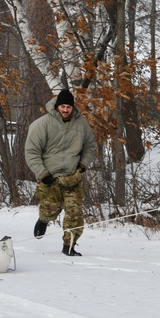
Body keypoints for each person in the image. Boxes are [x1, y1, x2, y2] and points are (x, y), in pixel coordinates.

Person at [24, 89, 97, 256]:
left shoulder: (81, 123)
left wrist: (83, 166)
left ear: (73, 108)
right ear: (57, 107)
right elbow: (31, 152)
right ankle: (43, 220)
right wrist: (42, 173)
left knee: (74, 212)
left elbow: (90, 146)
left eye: (68, 107)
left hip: (73, 177)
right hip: (50, 177)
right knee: (51, 210)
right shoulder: (42, 124)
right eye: (63, 106)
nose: (65, 110)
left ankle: (69, 246)